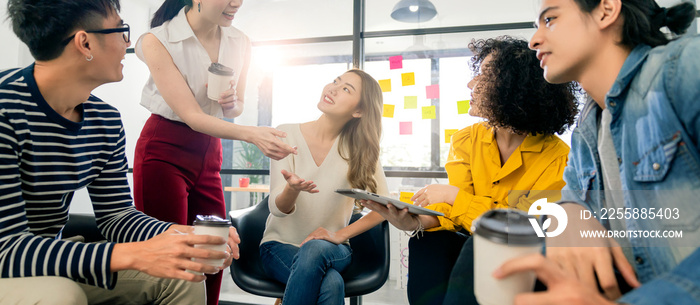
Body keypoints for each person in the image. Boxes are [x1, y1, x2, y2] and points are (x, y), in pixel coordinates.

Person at [0, 0, 241, 304]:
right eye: (121, 31)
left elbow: (116, 216)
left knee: (182, 272)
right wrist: (134, 254)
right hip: (8, 264)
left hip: (50, 256)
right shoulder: (5, 111)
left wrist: (182, 237)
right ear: (85, 42)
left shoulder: (105, 120)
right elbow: (6, 249)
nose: (129, 42)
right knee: (61, 295)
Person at [496, 0, 699, 304]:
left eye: (549, 19)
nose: (534, 40)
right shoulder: (587, 129)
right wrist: (569, 212)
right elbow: (571, 196)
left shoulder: (683, 67)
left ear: (606, 10)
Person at [362, 36, 579, 305]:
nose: (471, 84)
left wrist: (456, 197)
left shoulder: (558, 158)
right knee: (428, 243)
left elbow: (525, 228)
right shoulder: (466, 140)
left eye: (485, 76)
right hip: (469, 244)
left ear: (516, 88)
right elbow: (454, 217)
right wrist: (414, 222)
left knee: (479, 247)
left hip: (522, 255)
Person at [131, 1, 296, 303]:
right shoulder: (156, 41)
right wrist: (254, 135)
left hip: (210, 149)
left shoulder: (240, 42)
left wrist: (230, 102)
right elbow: (193, 117)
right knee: (171, 255)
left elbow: (236, 108)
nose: (236, 3)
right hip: (165, 146)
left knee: (214, 251)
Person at [258, 69, 388, 305]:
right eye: (336, 81)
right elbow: (277, 209)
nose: (333, 88)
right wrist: (292, 190)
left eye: (346, 89)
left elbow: (384, 206)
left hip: (332, 249)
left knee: (316, 248)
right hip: (279, 246)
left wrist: (338, 235)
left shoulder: (362, 150)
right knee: (331, 284)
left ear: (358, 111)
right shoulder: (286, 134)